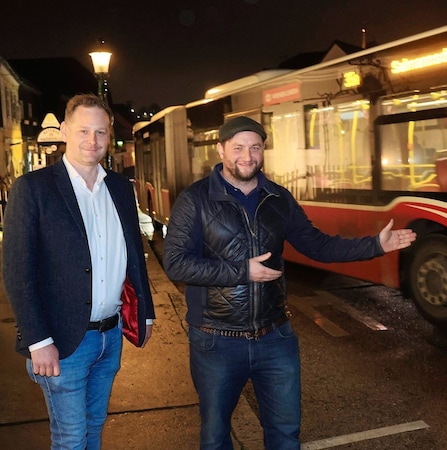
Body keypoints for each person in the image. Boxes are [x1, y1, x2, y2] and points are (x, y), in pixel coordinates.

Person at [162, 116, 417, 449]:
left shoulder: (278, 198)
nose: (247, 156)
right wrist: (241, 271)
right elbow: (176, 263)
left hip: (275, 338)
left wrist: (375, 245)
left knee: (285, 436)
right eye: (238, 147)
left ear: (263, 151)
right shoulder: (195, 199)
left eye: (255, 147)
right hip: (216, 340)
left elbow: (317, 245)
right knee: (215, 437)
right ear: (221, 149)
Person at [2, 93, 155, 450]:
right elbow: (17, 272)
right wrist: (38, 341)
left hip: (110, 336)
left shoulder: (118, 188)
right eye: (83, 130)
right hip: (62, 342)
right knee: (70, 438)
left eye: (100, 132)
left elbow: (133, 253)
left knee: (94, 429)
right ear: (65, 131)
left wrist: (144, 314)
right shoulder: (33, 189)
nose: (92, 140)